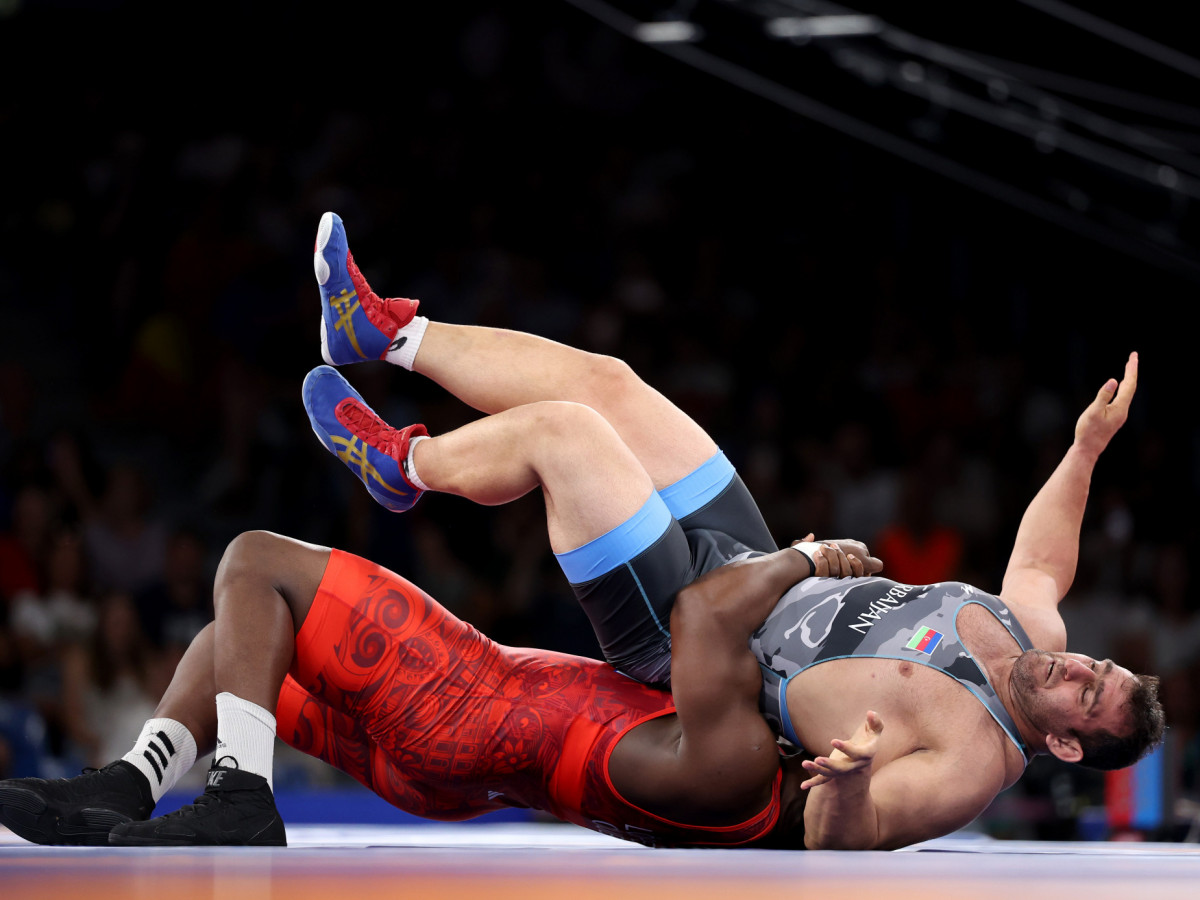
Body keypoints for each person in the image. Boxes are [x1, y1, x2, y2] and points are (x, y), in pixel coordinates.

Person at [299, 213, 1163, 849]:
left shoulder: (970, 764)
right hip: (759, 557)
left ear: (1059, 741)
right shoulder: (1032, 632)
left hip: (696, 636)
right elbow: (1043, 558)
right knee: (611, 383)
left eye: (1086, 693)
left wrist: (854, 780)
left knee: (565, 434)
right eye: (1099, 666)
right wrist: (1086, 449)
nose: (1078, 667)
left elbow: (836, 842)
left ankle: (401, 468)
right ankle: (383, 331)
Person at [0, 528, 870, 848]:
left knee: (254, 561)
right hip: (441, 777)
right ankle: (133, 782)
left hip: (465, 702)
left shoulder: (740, 763)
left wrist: (808, 556)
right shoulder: (742, 814)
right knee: (236, 641)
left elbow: (702, 615)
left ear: (810, 763)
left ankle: (239, 794)